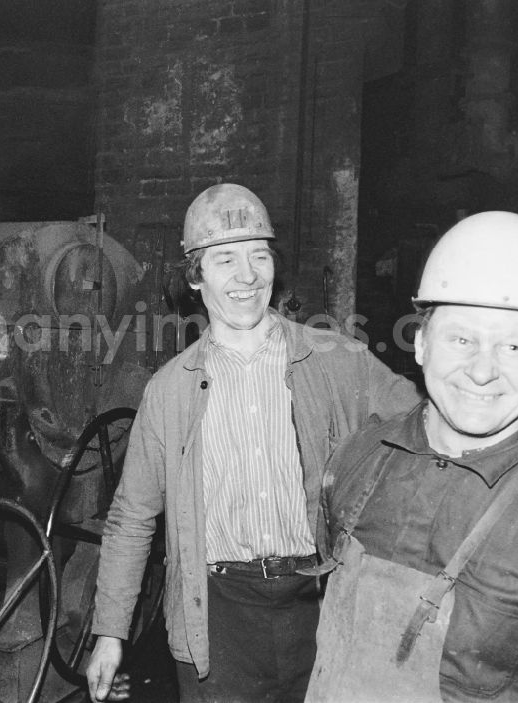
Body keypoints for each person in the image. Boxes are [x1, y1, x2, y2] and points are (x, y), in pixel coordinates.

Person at [85, 183, 422, 702]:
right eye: (225, 260)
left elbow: (420, 431)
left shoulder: (336, 360)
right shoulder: (170, 390)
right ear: (195, 276)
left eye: (258, 257)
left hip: (319, 600)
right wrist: (110, 633)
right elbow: (131, 517)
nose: (247, 276)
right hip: (217, 613)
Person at [309, 211, 518, 701]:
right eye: (461, 338)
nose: (482, 370)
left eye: (514, 346)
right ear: (420, 342)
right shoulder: (356, 460)